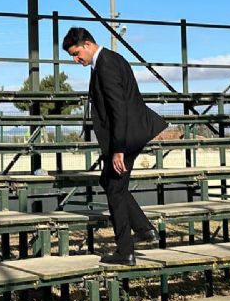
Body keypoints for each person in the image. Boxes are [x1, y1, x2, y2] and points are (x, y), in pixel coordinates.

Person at [62, 27, 167, 265]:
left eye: (76, 53)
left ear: (88, 44)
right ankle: (143, 229)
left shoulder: (106, 64)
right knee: (108, 182)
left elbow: (118, 108)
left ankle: (126, 251)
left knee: (115, 190)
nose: (76, 60)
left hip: (126, 136)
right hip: (129, 133)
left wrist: (118, 149)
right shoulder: (108, 60)